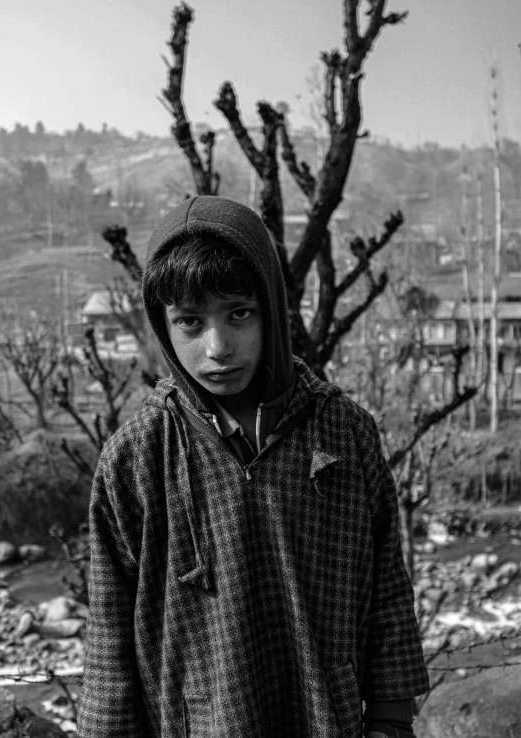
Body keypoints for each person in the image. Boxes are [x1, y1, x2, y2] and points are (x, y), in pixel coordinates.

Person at [77, 196, 429, 738]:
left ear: (271, 307)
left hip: (325, 718)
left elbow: (386, 589)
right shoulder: (137, 458)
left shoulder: (344, 433)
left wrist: (390, 720)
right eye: (190, 322)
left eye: (239, 313)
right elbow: (108, 638)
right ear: (162, 326)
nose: (218, 347)